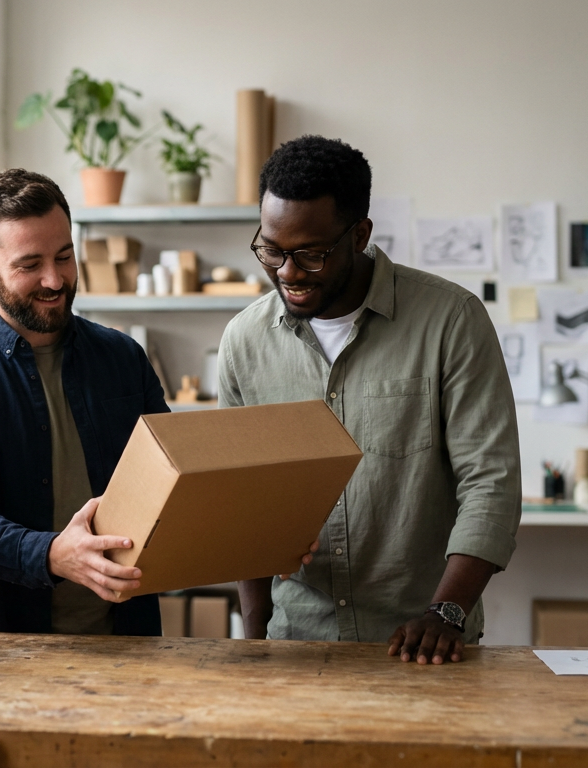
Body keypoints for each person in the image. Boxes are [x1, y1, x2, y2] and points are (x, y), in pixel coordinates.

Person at [223, 136, 520, 664]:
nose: (287, 273)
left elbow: (491, 482)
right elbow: (242, 501)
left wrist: (446, 612)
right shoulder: (244, 342)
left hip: (425, 644)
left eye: (311, 254)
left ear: (359, 235)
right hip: (297, 645)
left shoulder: (450, 321)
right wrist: (254, 639)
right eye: (271, 250)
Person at [0, 169, 171, 635]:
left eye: (64, 257)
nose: (54, 279)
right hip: (1, 647)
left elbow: (170, 479)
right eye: (29, 265)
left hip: (126, 638)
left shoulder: (123, 357)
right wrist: (52, 555)